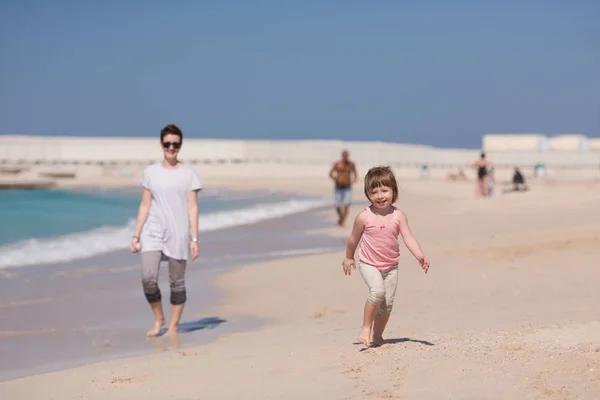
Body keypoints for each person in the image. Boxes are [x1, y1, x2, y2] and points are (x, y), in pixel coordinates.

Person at [342, 166, 430, 348]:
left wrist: (419, 255)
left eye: (385, 190)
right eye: (374, 192)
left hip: (390, 266)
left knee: (387, 304)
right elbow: (353, 239)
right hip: (368, 263)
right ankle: (366, 327)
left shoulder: (398, 216)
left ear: (393, 191)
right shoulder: (364, 217)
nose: (380, 196)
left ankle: (378, 336)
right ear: (368, 194)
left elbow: (408, 237)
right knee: (377, 292)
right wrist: (349, 257)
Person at [130, 123, 202, 337]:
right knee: (148, 279)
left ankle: (173, 326)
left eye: (175, 144)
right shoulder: (150, 172)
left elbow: (192, 207)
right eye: (167, 144)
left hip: (178, 233)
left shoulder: (189, 174)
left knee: (176, 282)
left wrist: (195, 238)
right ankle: (159, 317)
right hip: (152, 232)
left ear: (180, 146)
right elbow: (144, 205)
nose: (171, 148)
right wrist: (136, 234)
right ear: (161, 144)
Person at [329, 150, 357, 226]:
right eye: (344, 155)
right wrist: (336, 179)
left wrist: (354, 179)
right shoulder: (337, 164)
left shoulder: (351, 164)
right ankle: (341, 217)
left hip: (347, 187)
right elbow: (330, 173)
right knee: (337, 205)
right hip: (338, 187)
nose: (345, 157)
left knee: (346, 204)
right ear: (342, 156)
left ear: (348, 156)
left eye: (346, 155)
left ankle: (342, 221)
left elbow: (354, 172)